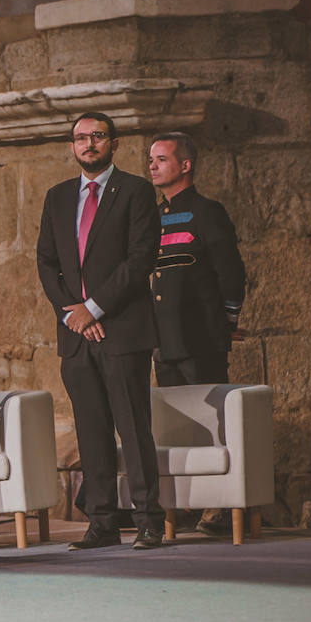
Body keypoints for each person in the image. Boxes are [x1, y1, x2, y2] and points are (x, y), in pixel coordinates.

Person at [37, 113, 164, 550]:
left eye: (96, 136)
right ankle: (103, 522)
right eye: (79, 138)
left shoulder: (136, 192)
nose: (87, 144)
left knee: (132, 427)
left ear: (114, 142)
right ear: (71, 146)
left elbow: (139, 259)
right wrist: (72, 313)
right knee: (90, 431)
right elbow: (46, 263)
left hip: (122, 331)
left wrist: (94, 309)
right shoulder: (56, 198)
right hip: (75, 336)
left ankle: (149, 520)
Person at [148, 131, 247, 536]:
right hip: (163, 340)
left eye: (161, 159)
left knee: (212, 423)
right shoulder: (151, 218)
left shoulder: (208, 212)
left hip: (200, 338)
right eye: (150, 159)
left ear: (185, 165)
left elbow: (232, 273)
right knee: (176, 427)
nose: (152, 165)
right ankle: (185, 504)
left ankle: (220, 505)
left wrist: (225, 322)